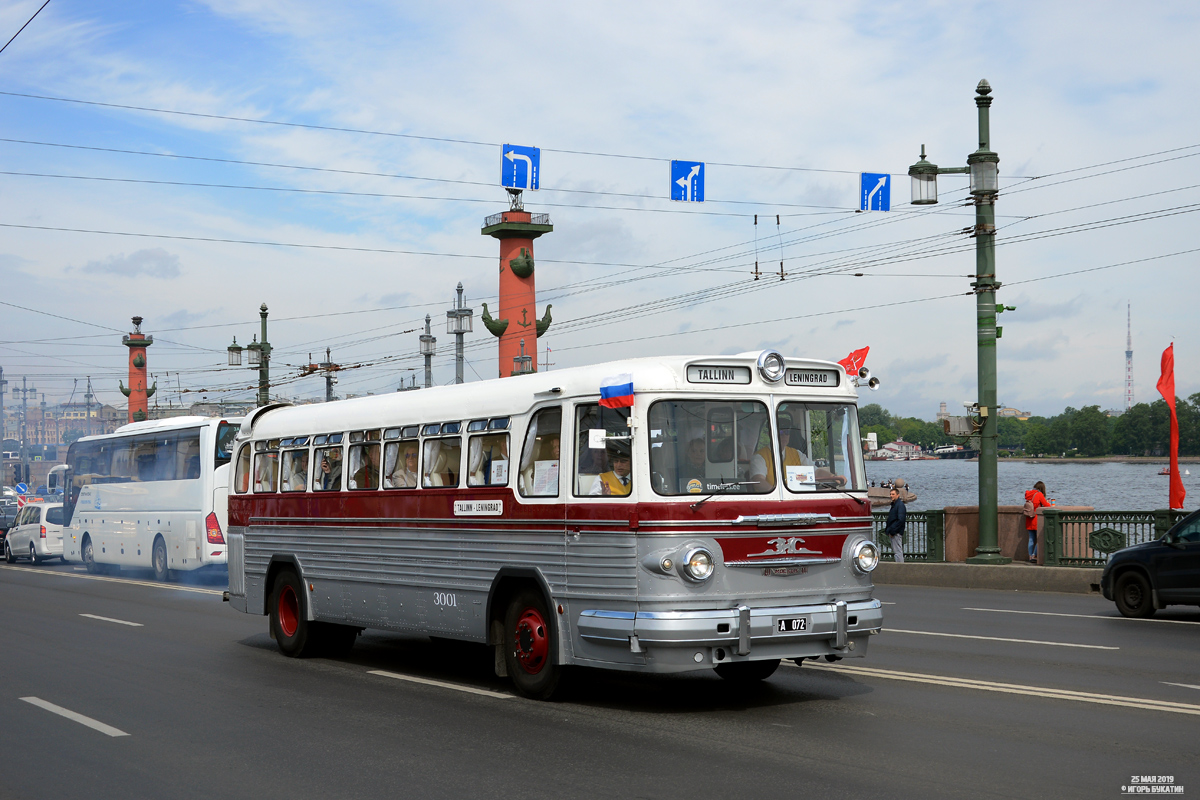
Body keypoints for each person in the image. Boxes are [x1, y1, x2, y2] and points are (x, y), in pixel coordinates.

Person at [750, 413, 810, 490]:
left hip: (796, 498)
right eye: (780, 432)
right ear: (770, 434)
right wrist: (778, 494)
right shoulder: (759, 457)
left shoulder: (797, 454)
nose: (784, 436)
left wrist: (830, 477)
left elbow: (816, 472)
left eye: (787, 432)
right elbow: (758, 481)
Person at [1023, 480, 1053, 564]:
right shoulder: (1039, 494)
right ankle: (1034, 555)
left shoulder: (1028, 494)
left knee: (1031, 539)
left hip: (1029, 519)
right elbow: (1047, 505)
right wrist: (1047, 502)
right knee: (1039, 538)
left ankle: (1029, 556)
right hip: (1036, 519)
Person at [885, 487, 906, 563]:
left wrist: (893, 531)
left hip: (896, 532)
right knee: (897, 551)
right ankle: (900, 567)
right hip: (894, 531)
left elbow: (900, 520)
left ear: (898, 495)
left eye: (893, 494)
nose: (891, 496)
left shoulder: (899, 505)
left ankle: (900, 569)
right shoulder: (895, 505)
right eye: (890, 494)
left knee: (898, 552)